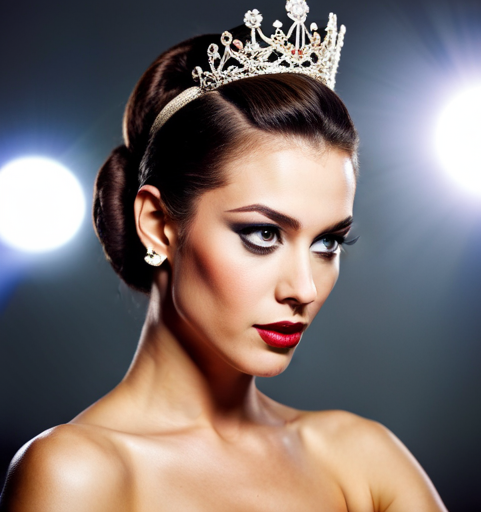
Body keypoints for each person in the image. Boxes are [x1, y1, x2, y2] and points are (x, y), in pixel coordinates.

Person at [0, 2, 447, 510]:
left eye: (328, 241)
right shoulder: (79, 474)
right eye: (262, 234)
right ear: (159, 225)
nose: (303, 289)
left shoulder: (362, 460)